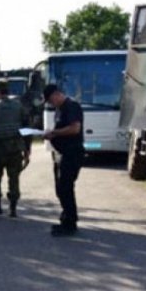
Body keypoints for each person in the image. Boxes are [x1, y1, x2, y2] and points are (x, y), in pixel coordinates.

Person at [0, 80, 30, 218]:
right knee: (14, 178)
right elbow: (27, 128)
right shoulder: (18, 106)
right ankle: (13, 209)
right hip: (15, 148)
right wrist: (27, 150)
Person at [43, 84, 84, 236]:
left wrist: (54, 132)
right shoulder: (59, 110)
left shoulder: (72, 106)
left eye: (50, 100)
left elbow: (75, 128)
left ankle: (70, 223)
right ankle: (66, 216)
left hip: (72, 153)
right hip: (62, 154)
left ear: (56, 95)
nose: (51, 104)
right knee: (60, 188)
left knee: (66, 187)